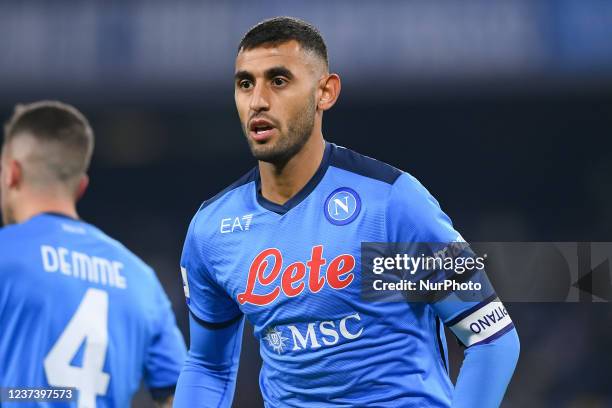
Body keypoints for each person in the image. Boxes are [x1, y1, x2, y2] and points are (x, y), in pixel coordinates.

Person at [175, 17, 520, 407]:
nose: (258, 101)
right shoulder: (214, 230)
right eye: (245, 84)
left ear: (325, 92)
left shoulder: (390, 204)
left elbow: (491, 339)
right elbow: (208, 365)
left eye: (279, 80)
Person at [0, 101, 186, 407]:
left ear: (12, 174)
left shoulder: (5, 254)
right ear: (81, 186)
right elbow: (181, 396)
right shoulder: (141, 279)